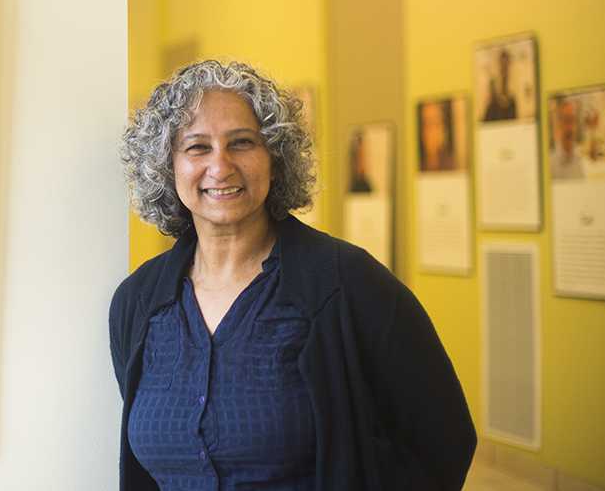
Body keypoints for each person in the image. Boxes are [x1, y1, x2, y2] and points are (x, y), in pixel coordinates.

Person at [110, 60, 475, 491]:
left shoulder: (350, 285)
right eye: (197, 147)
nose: (221, 165)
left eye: (242, 143)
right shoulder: (138, 302)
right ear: (167, 166)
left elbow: (443, 437)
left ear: (275, 158)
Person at [419, 99, 459, 172]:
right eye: (427, 123)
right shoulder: (415, 164)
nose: (431, 130)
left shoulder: (450, 165)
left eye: (435, 123)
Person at [550, 97, 585, 180]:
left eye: (573, 120)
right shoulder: (550, 165)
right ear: (558, 126)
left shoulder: (579, 159)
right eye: (566, 120)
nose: (570, 128)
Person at [481, 48, 517, 122]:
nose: (504, 67)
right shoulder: (493, 82)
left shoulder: (514, 80)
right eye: (502, 63)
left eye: (506, 63)